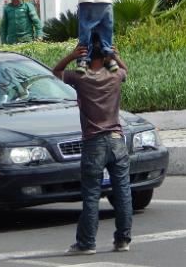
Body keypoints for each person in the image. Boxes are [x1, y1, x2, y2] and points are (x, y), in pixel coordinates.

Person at [52, 34, 132, 255]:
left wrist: (71, 56)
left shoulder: (81, 78)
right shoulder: (114, 75)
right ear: (105, 55)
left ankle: (87, 243)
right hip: (117, 141)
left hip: (93, 142)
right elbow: (125, 71)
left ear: (86, 55)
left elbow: (55, 72)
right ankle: (123, 240)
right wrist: (115, 56)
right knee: (123, 191)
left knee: (91, 195)